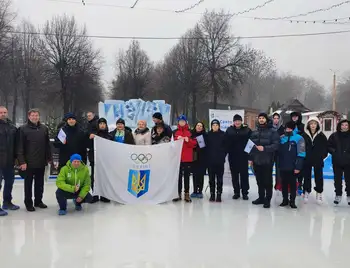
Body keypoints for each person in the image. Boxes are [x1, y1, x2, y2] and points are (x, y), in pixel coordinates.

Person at [17, 109, 52, 212]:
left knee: (39, 183)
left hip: (41, 162)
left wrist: (49, 158)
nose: (34, 117)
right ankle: (28, 203)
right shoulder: (23, 129)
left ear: (39, 116)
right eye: (32, 115)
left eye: (36, 115)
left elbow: (47, 145)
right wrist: (22, 162)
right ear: (29, 116)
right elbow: (19, 147)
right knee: (28, 184)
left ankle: (38, 201)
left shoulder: (44, 128)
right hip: (28, 163)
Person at [249, 113, 280, 208]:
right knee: (259, 180)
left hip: (267, 160)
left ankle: (268, 199)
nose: (261, 119)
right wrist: (250, 158)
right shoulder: (254, 131)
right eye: (260, 118)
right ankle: (261, 197)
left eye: (263, 118)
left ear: (266, 119)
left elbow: (276, 145)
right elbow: (250, 146)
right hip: (256, 160)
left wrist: (265, 148)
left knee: (267, 181)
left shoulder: (273, 131)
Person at [279, 121, 306, 209]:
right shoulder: (282, 138)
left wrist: (298, 167)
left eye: (290, 128)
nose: (288, 129)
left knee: (293, 184)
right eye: (287, 128)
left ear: (294, 128)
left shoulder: (299, 138)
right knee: (284, 183)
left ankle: (292, 201)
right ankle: (284, 200)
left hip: (293, 166)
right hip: (283, 165)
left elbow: (301, 154)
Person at [225, 114, 251, 200]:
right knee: (234, 175)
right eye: (235, 121)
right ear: (233, 122)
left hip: (243, 156)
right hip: (233, 156)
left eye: (239, 120)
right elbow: (225, 142)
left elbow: (251, 143)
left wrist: (249, 155)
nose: (237, 122)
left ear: (241, 121)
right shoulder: (229, 130)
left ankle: (245, 192)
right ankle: (236, 192)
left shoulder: (247, 130)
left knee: (244, 175)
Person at [303, 117, 328, 204]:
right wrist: (303, 156)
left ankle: (319, 192)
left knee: (319, 177)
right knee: (306, 176)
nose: (313, 125)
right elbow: (301, 147)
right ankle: (306, 191)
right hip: (307, 159)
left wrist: (322, 156)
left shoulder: (321, 136)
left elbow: (326, 148)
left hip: (318, 160)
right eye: (311, 124)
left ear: (317, 124)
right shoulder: (304, 135)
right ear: (308, 125)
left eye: (314, 123)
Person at [172, 115, 197, 203]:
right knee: (178, 176)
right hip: (178, 157)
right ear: (178, 122)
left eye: (183, 121)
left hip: (187, 158)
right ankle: (177, 193)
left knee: (186, 176)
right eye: (180, 121)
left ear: (186, 122)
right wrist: (176, 139)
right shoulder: (174, 132)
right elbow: (171, 144)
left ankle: (186, 193)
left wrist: (188, 140)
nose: (182, 123)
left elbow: (194, 143)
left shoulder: (190, 132)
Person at [0, 106, 19, 216]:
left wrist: (17, 158)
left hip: (9, 161)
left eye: (4, 112)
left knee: (9, 183)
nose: (3, 114)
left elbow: (17, 144)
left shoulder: (12, 127)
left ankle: (7, 202)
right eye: (1, 112)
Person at [88, 118, 112, 203]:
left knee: (104, 177)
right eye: (100, 123)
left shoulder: (109, 136)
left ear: (106, 125)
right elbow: (89, 146)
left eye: (103, 123)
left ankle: (103, 195)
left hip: (105, 161)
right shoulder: (94, 135)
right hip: (94, 160)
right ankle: (95, 194)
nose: (102, 125)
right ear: (98, 125)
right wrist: (91, 138)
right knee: (94, 177)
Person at [328, 119, 350, 205]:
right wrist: (334, 152)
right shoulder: (334, 136)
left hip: (348, 162)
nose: (344, 127)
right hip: (337, 161)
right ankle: (338, 194)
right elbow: (329, 146)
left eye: (346, 125)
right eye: (342, 125)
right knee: (337, 180)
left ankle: (349, 195)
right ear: (340, 126)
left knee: (349, 180)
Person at [207, 119, 226, 202]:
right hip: (210, 161)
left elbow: (226, 147)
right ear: (211, 126)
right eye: (213, 125)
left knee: (219, 179)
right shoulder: (208, 135)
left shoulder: (223, 134)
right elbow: (205, 147)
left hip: (220, 161)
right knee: (211, 179)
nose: (215, 127)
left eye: (216, 125)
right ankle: (212, 194)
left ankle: (219, 194)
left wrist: (222, 155)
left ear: (219, 126)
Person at [190, 121, 207, 199]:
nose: (199, 127)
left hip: (202, 157)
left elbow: (207, 147)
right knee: (194, 175)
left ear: (203, 128)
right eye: (198, 125)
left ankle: (200, 191)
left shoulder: (205, 135)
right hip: (193, 157)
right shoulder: (191, 134)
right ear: (195, 126)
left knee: (200, 175)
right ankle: (194, 191)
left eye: (201, 126)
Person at [290, 111, 305, 195]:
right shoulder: (289, 125)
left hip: (299, 148)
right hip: (291, 149)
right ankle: (292, 184)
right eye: (293, 117)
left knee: (300, 167)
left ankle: (300, 184)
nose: (294, 118)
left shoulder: (302, 126)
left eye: (296, 117)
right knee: (291, 168)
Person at [271, 112, 285, 192]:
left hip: (279, 152)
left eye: (277, 118)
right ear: (272, 119)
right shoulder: (270, 128)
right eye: (274, 118)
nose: (276, 120)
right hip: (271, 151)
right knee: (268, 169)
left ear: (279, 119)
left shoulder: (282, 128)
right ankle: (269, 185)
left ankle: (278, 185)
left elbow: (284, 139)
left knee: (278, 170)